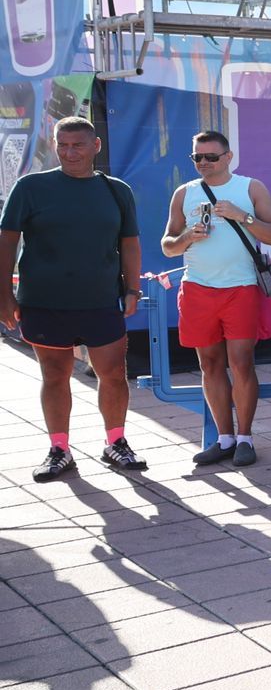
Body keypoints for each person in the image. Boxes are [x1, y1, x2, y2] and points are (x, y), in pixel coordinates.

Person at [0, 116, 146, 480]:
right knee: (54, 375)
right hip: (43, 301)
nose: (69, 152)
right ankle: (59, 450)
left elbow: (129, 243)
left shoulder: (117, 190)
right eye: (62, 145)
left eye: (78, 145)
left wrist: (132, 288)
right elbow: (7, 241)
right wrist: (4, 295)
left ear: (96, 146)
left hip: (101, 300)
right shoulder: (30, 187)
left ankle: (116, 442)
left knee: (113, 374)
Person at [160, 130, 271, 467]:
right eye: (197, 157)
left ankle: (245, 438)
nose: (204, 163)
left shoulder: (250, 188)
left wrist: (242, 216)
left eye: (211, 157)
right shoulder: (184, 193)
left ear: (228, 157)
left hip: (241, 288)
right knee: (209, 364)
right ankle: (224, 438)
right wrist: (187, 236)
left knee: (241, 362)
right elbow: (168, 246)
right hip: (197, 288)